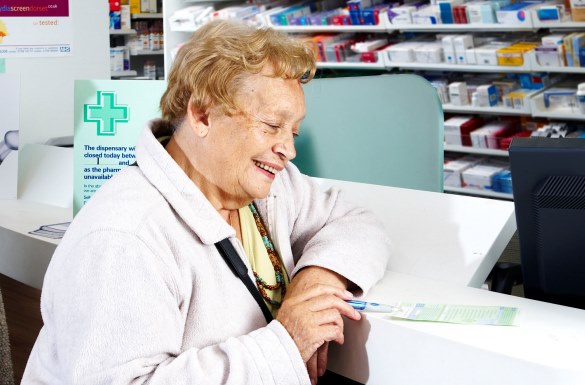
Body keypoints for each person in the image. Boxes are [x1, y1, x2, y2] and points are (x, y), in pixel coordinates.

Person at [22, 20, 391, 385]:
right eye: (271, 125)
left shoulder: (264, 186)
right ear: (202, 114)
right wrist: (288, 342)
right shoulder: (123, 238)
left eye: (292, 131)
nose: (288, 150)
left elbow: (357, 223)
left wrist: (316, 282)